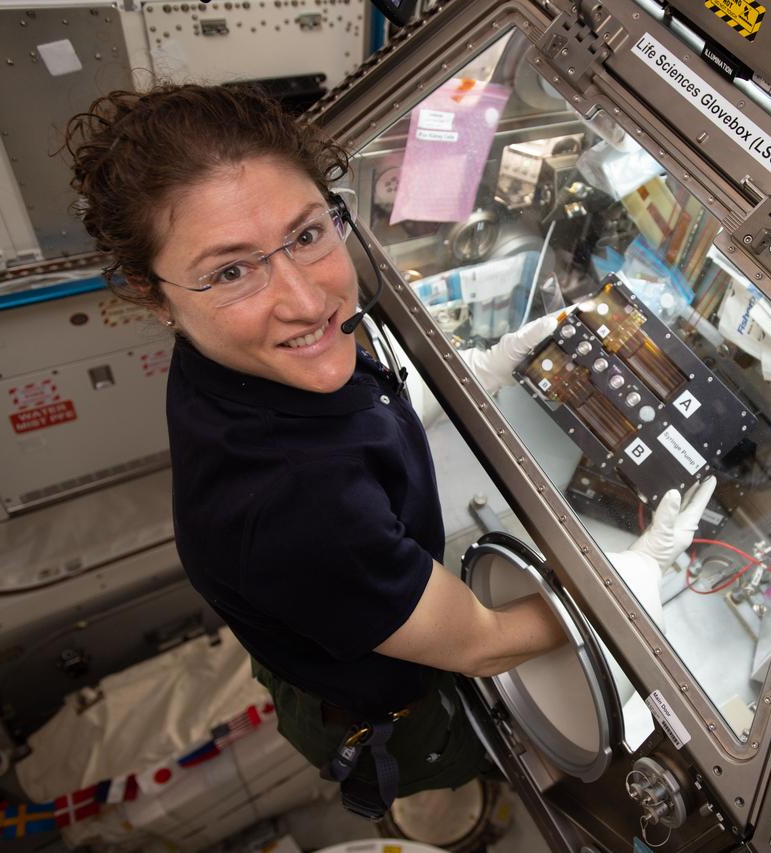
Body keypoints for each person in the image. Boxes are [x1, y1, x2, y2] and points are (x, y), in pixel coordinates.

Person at [63, 82, 715, 818]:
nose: (309, 303)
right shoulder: (292, 508)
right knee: (464, 757)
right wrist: (637, 572)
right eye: (231, 271)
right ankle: (448, 806)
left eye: (307, 234)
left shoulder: (237, 356)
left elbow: (363, 401)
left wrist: (490, 365)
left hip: (323, 614)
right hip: (395, 718)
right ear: (155, 296)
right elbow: (486, 646)